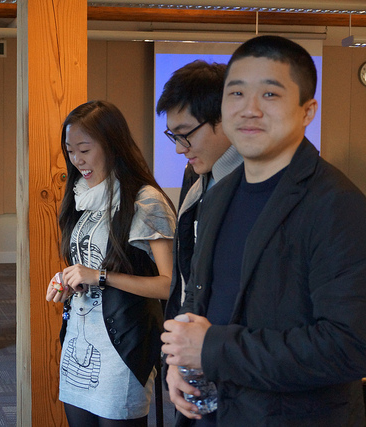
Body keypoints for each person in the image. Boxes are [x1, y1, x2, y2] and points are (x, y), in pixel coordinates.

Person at [161, 35, 366, 426]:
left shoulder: (337, 204)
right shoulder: (220, 194)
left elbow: (349, 345)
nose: (249, 109)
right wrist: (180, 361)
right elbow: (200, 300)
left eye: (270, 95)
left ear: (308, 111)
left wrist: (212, 349)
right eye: (236, 93)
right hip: (212, 412)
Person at [45, 100, 176, 426]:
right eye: (70, 150)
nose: (77, 160)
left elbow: (169, 284)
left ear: (112, 145)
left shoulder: (145, 201)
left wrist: (100, 277)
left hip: (123, 349)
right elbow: (87, 264)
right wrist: (66, 280)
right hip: (78, 342)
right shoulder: (79, 194)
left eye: (85, 150)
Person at [155, 60, 243, 322]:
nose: (179, 149)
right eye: (173, 136)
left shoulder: (257, 185)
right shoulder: (195, 176)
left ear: (224, 118)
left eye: (185, 134)